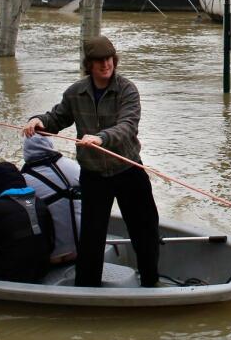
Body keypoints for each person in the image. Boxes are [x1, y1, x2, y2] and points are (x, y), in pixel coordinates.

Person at [23, 35, 161, 288]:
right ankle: (87, 289)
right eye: (98, 61)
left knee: (145, 230)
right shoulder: (75, 92)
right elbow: (56, 118)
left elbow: (127, 126)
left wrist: (100, 138)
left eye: (108, 59)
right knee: (90, 237)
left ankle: (151, 283)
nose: (105, 65)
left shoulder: (127, 90)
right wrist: (38, 121)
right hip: (94, 176)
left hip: (128, 170)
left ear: (114, 60)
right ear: (89, 64)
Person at [22, 134, 82, 264]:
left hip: (51, 256)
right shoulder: (74, 166)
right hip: (82, 247)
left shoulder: (23, 180)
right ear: (50, 144)